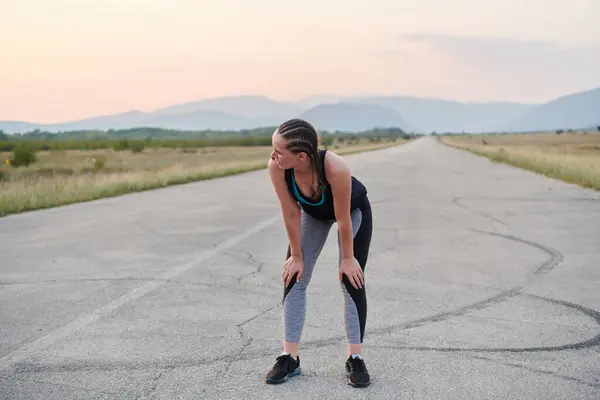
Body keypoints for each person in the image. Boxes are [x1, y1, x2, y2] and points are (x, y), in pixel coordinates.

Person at [264, 118, 373, 388]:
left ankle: (355, 358)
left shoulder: (335, 168)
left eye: (278, 151)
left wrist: (348, 259)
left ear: (301, 156)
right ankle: (289, 356)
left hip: (352, 213)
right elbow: (290, 211)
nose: (272, 155)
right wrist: (296, 256)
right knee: (294, 275)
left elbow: (343, 218)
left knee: (352, 279)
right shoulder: (277, 168)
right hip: (312, 215)